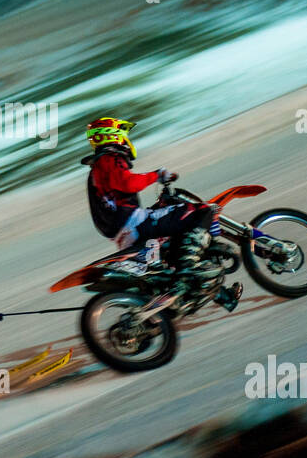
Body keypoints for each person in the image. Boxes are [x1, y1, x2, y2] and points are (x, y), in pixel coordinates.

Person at [82, 116, 241, 315]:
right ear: (113, 135)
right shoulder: (110, 157)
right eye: (124, 133)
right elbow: (128, 183)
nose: (126, 138)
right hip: (133, 222)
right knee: (202, 211)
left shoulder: (95, 171)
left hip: (122, 234)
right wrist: (157, 175)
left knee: (173, 249)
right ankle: (188, 266)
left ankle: (223, 296)